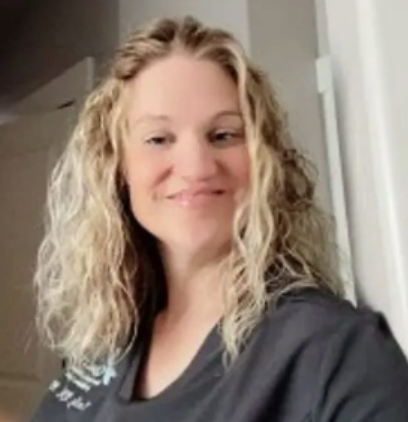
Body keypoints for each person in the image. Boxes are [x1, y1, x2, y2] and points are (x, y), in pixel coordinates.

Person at [30, 15, 408, 422]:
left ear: (263, 158)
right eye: (159, 139)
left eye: (223, 135)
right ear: (117, 167)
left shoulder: (337, 351)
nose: (196, 167)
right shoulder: (110, 336)